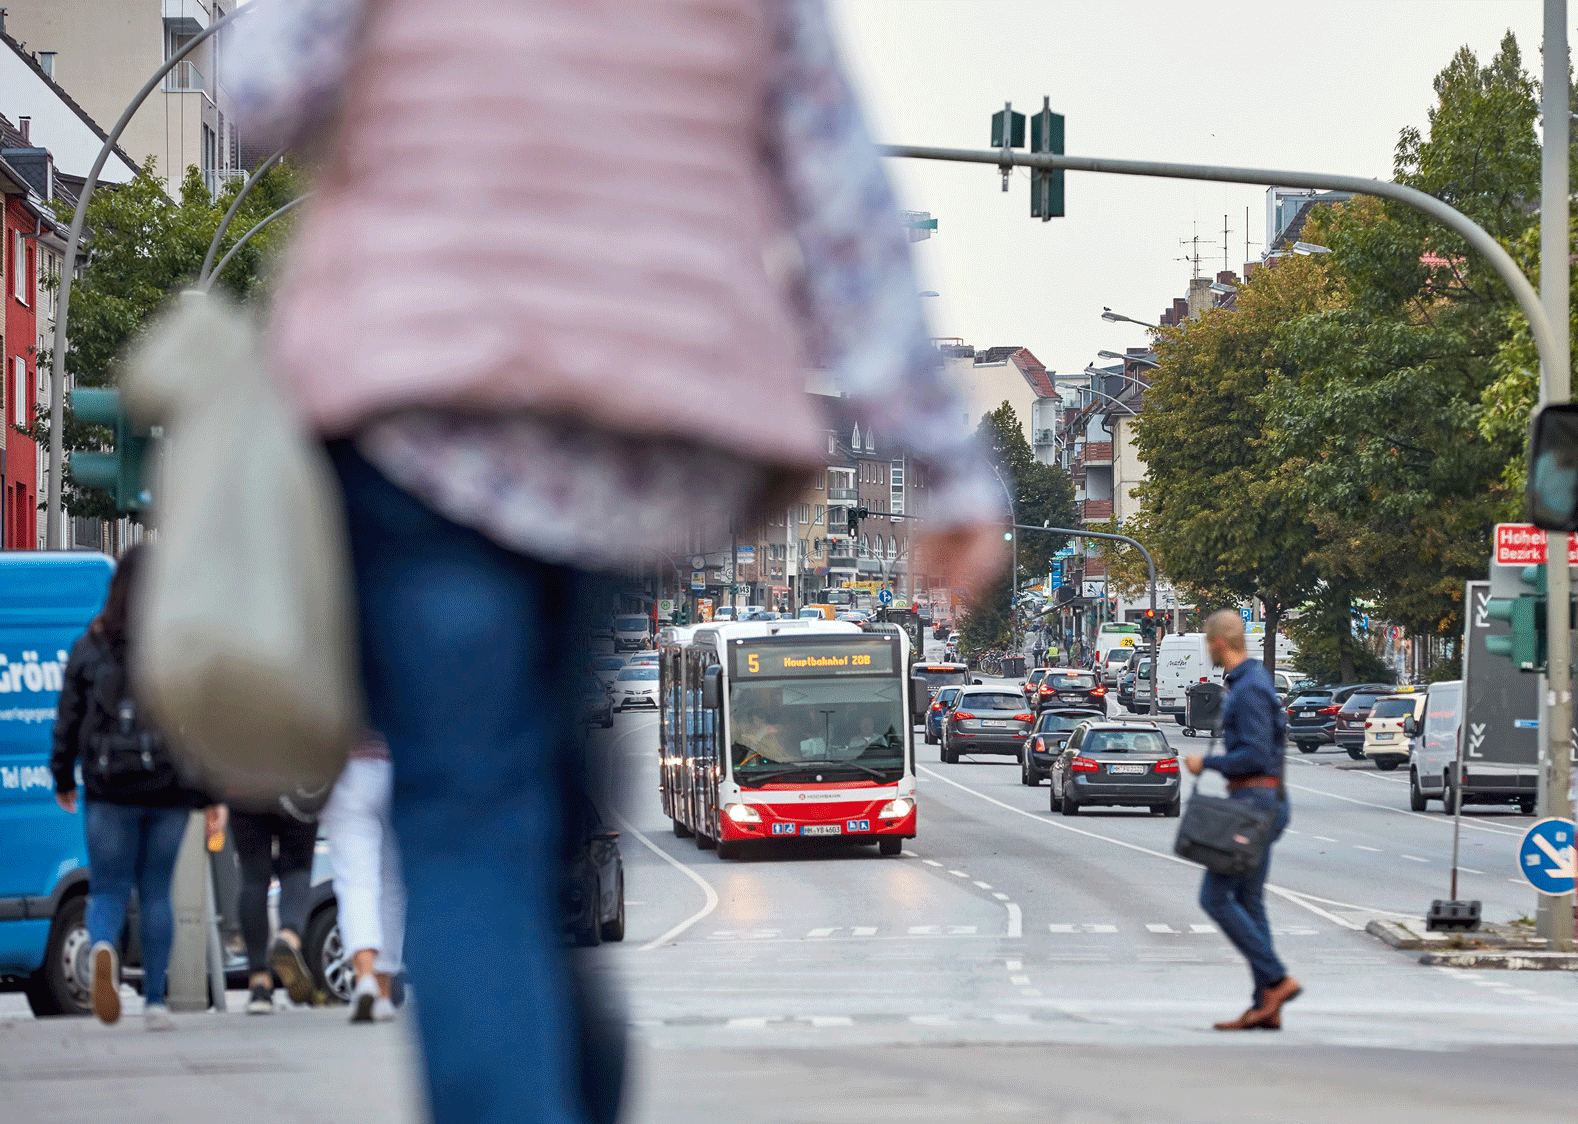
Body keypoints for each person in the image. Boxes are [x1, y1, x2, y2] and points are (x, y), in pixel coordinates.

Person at [230, 2, 1003, 1120]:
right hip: (629, 438)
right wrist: (948, 465)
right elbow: (844, 203)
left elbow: (260, 94)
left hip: (416, 410)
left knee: (467, 815)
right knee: (537, 812)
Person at [49, 545, 220, 1031]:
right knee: (157, 893)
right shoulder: (180, 642)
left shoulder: (91, 644)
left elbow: (68, 719)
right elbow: (200, 720)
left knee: (107, 889)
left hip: (108, 788)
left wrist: (62, 776)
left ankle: (103, 946)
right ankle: (155, 1003)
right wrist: (208, 793)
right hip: (166, 785)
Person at [1181, 611, 1303, 1031]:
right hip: (1263, 802)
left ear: (1217, 643)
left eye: (1206, 643)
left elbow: (1254, 754)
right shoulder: (1255, 683)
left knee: (1214, 898)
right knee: (1249, 902)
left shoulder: (1249, 690)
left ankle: (1276, 978)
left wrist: (1206, 762)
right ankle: (1265, 1005)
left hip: (1254, 803)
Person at [322, 733, 405, 1023]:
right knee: (393, 886)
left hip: (347, 767)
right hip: (397, 762)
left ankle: (365, 976)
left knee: (356, 881)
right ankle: (383, 994)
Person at [231, 790, 320, 1013]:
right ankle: (288, 937)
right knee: (297, 868)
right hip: (298, 781)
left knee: (253, 879)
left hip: (244, 782)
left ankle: (259, 985)